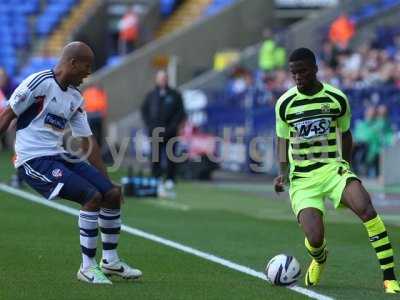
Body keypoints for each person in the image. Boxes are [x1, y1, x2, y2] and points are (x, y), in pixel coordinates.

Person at [0, 41, 142, 284]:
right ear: (72, 63)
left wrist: (107, 180)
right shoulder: (39, 83)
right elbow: (7, 115)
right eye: (86, 68)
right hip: (32, 160)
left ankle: (110, 262)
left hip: (57, 155)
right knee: (91, 196)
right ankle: (87, 268)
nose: (88, 74)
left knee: (111, 194)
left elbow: (88, 141)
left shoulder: (75, 97)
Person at [274, 47, 399, 293]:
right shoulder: (285, 104)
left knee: (367, 208)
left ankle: (390, 278)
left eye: (303, 71)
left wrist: (346, 165)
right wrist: (283, 172)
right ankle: (320, 258)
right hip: (303, 179)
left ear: (315, 69)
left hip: (333, 170)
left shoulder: (336, 98)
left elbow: (345, 133)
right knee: (315, 238)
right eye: (293, 73)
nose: (298, 76)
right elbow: (282, 140)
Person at [141, 70, 186, 196]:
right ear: (156, 79)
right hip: (155, 131)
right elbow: (144, 111)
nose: (163, 80)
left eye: (165, 78)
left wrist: (173, 126)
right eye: (160, 78)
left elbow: (180, 112)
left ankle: (170, 179)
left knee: (171, 156)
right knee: (155, 156)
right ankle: (157, 177)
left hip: (170, 131)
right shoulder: (151, 95)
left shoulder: (175, 95)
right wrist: (149, 125)